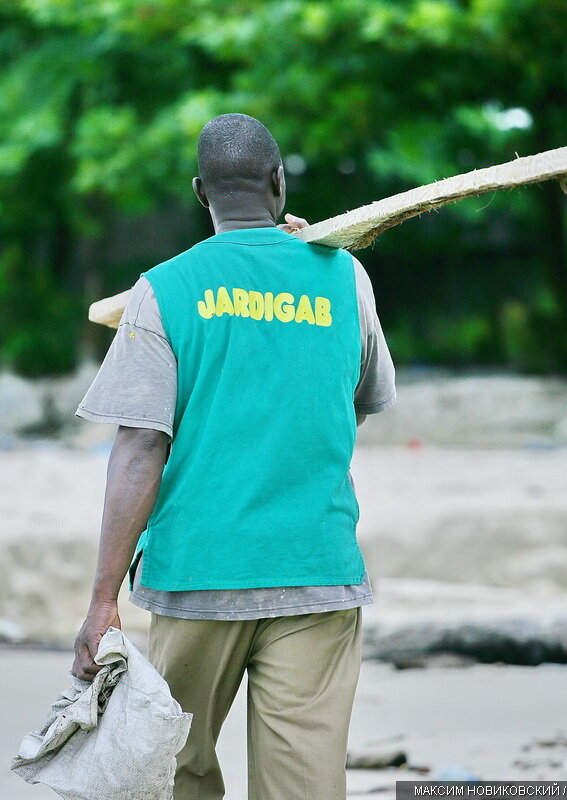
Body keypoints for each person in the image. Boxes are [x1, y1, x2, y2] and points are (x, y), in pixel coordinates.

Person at [71, 112, 396, 800]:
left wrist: (103, 601)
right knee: (305, 786)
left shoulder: (164, 289)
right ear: (279, 182)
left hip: (198, 576)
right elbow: (360, 398)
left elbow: (139, 448)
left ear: (200, 193)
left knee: (173, 773)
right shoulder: (346, 278)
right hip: (317, 569)